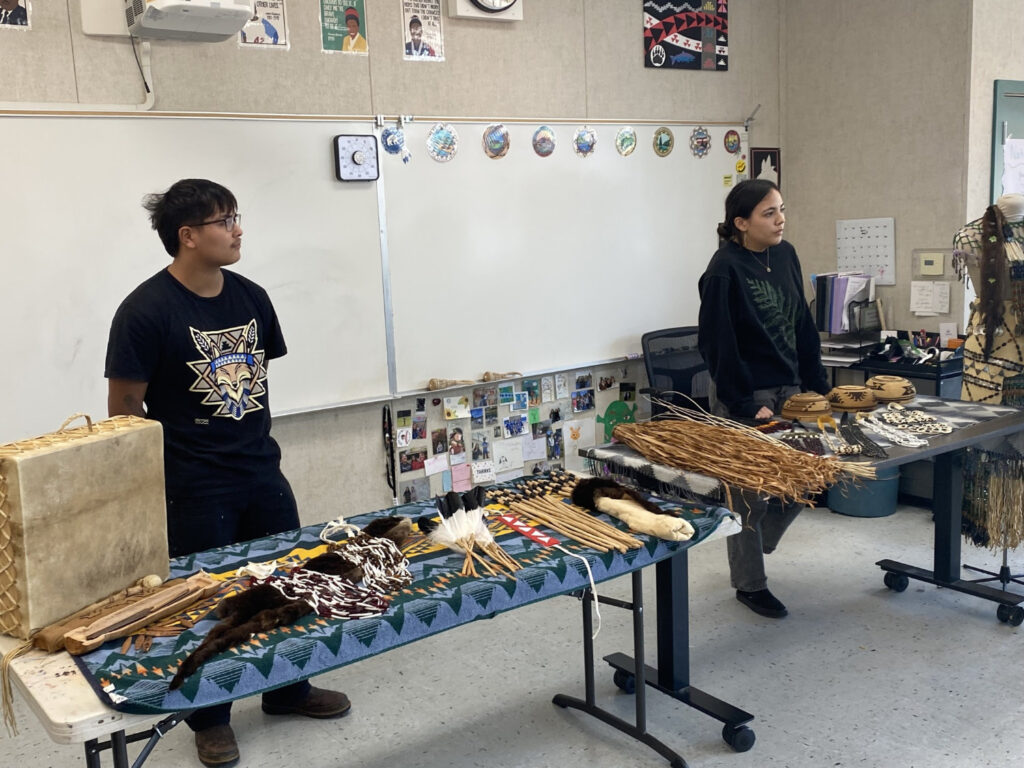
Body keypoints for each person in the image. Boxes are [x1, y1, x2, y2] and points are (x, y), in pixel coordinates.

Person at [105, 179, 351, 768]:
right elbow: (124, 411)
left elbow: (253, 381)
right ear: (188, 236)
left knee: (289, 582)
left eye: (237, 216)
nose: (237, 228)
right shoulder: (144, 310)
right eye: (224, 220)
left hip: (260, 470)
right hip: (193, 484)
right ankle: (209, 718)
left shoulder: (252, 297)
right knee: (210, 602)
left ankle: (287, 690)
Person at [697, 178, 828, 619]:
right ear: (741, 223)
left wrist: (818, 384)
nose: (781, 220)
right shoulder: (723, 270)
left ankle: (764, 533)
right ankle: (750, 583)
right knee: (746, 492)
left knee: (816, 470)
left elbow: (802, 324)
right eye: (769, 213)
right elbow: (718, 344)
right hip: (746, 391)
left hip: (790, 387)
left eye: (782, 210)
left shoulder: (785, 254)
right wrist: (742, 403)